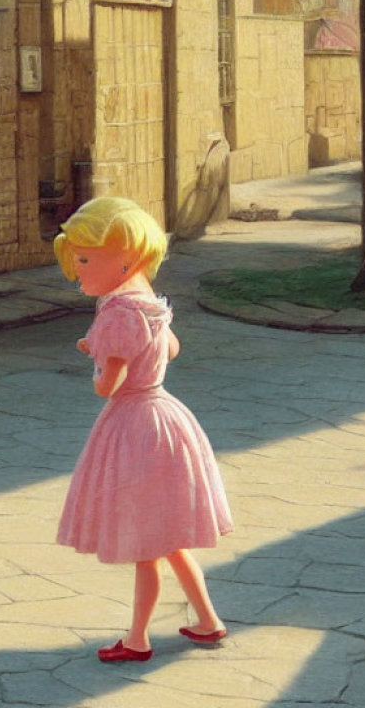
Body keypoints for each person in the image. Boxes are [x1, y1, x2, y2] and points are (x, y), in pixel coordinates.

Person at [53, 196, 234, 663]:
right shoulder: (150, 303)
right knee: (169, 538)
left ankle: (137, 640)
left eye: (87, 259)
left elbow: (105, 386)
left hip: (134, 427)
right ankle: (209, 621)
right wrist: (106, 349)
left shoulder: (116, 314)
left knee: (148, 543)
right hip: (165, 416)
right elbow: (169, 349)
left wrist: (98, 362)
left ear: (127, 258)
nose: (78, 268)